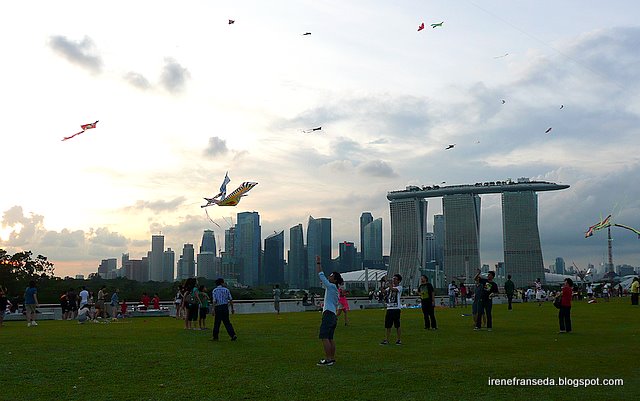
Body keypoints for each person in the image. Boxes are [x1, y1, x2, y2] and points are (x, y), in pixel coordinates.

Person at [316, 255, 343, 366]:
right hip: (333, 315)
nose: (329, 276)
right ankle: (331, 358)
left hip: (328, 314)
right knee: (330, 338)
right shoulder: (336, 289)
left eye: (331, 276)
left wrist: (318, 263)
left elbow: (321, 275)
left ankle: (328, 359)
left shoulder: (331, 286)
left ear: (334, 279)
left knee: (324, 337)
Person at [380, 273, 403, 345]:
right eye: (393, 279)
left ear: (399, 281)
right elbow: (383, 291)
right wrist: (382, 284)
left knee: (397, 325)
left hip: (396, 308)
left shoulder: (399, 287)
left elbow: (393, 289)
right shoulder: (389, 288)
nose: (393, 280)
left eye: (395, 279)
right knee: (388, 326)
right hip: (389, 308)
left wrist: (387, 282)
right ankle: (386, 340)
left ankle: (399, 339)